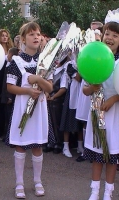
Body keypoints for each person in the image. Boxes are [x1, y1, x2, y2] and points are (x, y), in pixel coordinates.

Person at [5, 22, 52, 199]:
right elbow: (10, 87)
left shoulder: (45, 61)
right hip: (21, 107)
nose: (36, 37)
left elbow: (49, 88)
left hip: (39, 109)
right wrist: (28, 90)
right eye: (31, 34)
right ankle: (19, 183)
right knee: (21, 145)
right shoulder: (16, 61)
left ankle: (37, 181)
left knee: (37, 145)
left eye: (38, 34)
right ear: (23, 39)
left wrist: (37, 79)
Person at [83, 16, 119, 200]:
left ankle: (108, 192)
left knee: (111, 156)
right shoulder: (94, 56)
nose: (110, 37)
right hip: (97, 114)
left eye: (115, 35)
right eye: (107, 33)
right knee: (98, 155)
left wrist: (114, 99)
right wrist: (92, 88)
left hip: (115, 117)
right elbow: (84, 90)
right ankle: (94, 191)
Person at [45, 57, 69, 154]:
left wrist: (53, 96)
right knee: (49, 122)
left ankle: (59, 143)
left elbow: (63, 88)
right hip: (49, 98)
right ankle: (51, 142)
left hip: (58, 100)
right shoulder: (52, 69)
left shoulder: (64, 70)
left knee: (57, 122)